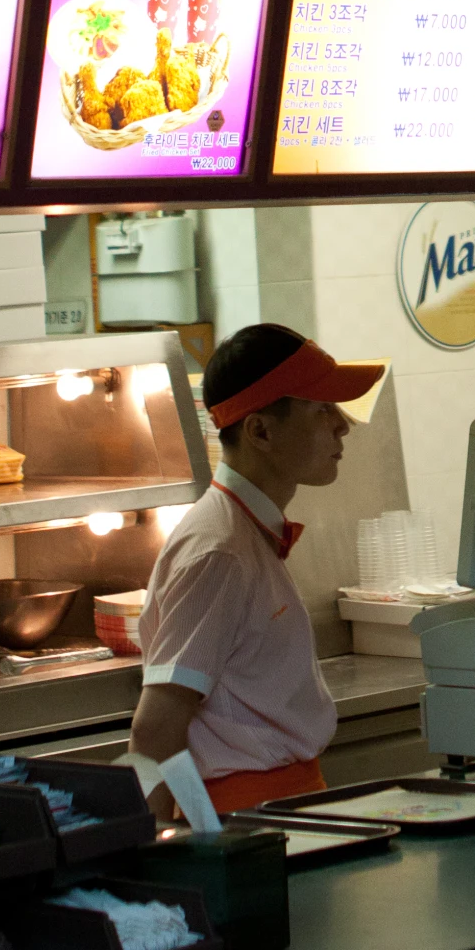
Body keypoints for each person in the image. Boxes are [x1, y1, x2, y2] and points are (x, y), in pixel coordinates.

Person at [123, 322, 383, 819]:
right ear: (260, 430)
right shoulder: (218, 553)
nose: (342, 424)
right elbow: (156, 727)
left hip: (278, 807)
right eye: (321, 408)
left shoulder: (244, 534)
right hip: (248, 816)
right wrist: (172, 854)